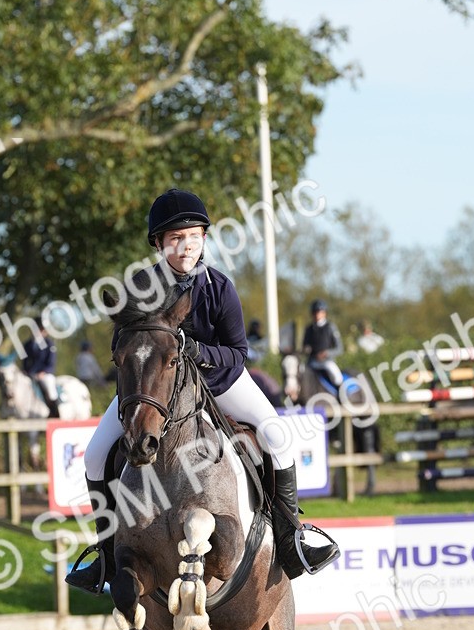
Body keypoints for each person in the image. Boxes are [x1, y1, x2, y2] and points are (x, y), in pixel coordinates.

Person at [65, 188, 340, 593]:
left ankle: (290, 538)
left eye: (193, 236)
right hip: (155, 389)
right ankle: (106, 557)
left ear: (205, 239)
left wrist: (198, 351)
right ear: (158, 243)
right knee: (93, 456)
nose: (185, 246)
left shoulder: (219, 287)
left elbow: (238, 353)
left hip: (219, 383)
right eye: (175, 238)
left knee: (277, 435)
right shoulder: (141, 286)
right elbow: (121, 341)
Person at [303, 299, 344, 390]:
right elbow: (305, 345)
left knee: (337, 378)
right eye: (315, 312)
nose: (317, 315)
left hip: (327, 361)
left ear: (324, 313)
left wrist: (327, 353)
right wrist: (306, 349)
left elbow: (339, 348)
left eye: (319, 312)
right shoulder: (309, 329)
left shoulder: (330, 327)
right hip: (312, 362)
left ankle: (342, 396)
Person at [23, 318, 60, 418]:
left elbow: (51, 362)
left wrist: (43, 372)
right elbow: (25, 361)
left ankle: (55, 413)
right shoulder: (28, 344)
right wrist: (26, 371)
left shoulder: (49, 344)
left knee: (50, 389)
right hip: (31, 374)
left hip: (45, 374)